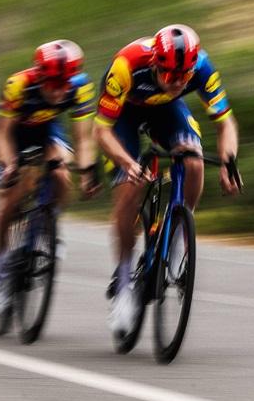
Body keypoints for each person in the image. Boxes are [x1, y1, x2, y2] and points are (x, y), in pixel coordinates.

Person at [92, 24, 240, 336]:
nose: (177, 82)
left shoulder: (202, 66)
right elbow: (100, 131)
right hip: (123, 117)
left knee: (194, 161)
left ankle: (176, 237)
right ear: (155, 64)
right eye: (170, 74)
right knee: (130, 187)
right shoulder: (126, 66)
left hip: (166, 111)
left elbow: (225, 122)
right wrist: (127, 163)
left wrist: (229, 161)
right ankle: (123, 282)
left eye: (184, 76)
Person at [0, 40, 100, 321]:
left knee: (60, 171)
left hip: (47, 130)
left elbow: (83, 138)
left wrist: (88, 171)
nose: (58, 91)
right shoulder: (19, 85)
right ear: (40, 76)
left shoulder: (80, 86)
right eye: (52, 84)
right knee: (6, 206)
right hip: (14, 135)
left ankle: (48, 226)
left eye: (63, 85)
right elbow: (1, 134)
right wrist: (10, 164)